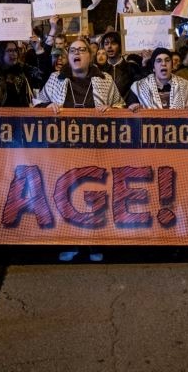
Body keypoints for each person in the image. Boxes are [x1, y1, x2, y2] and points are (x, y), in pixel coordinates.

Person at [34, 36, 124, 263]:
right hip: (63, 149)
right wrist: (48, 106)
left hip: (97, 148)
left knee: (94, 194)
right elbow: (36, 102)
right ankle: (69, 240)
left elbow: (120, 106)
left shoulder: (104, 79)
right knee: (64, 195)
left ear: (90, 55)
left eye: (82, 50)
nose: (77, 53)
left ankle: (94, 243)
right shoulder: (56, 79)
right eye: (73, 50)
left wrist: (111, 109)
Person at [127, 47, 188, 111]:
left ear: (172, 66)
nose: (163, 64)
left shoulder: (186, 86)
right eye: (159, 61)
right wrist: (133, 107)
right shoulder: (138, 87)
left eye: (167, 60)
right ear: (153, 68)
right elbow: (129, 115)